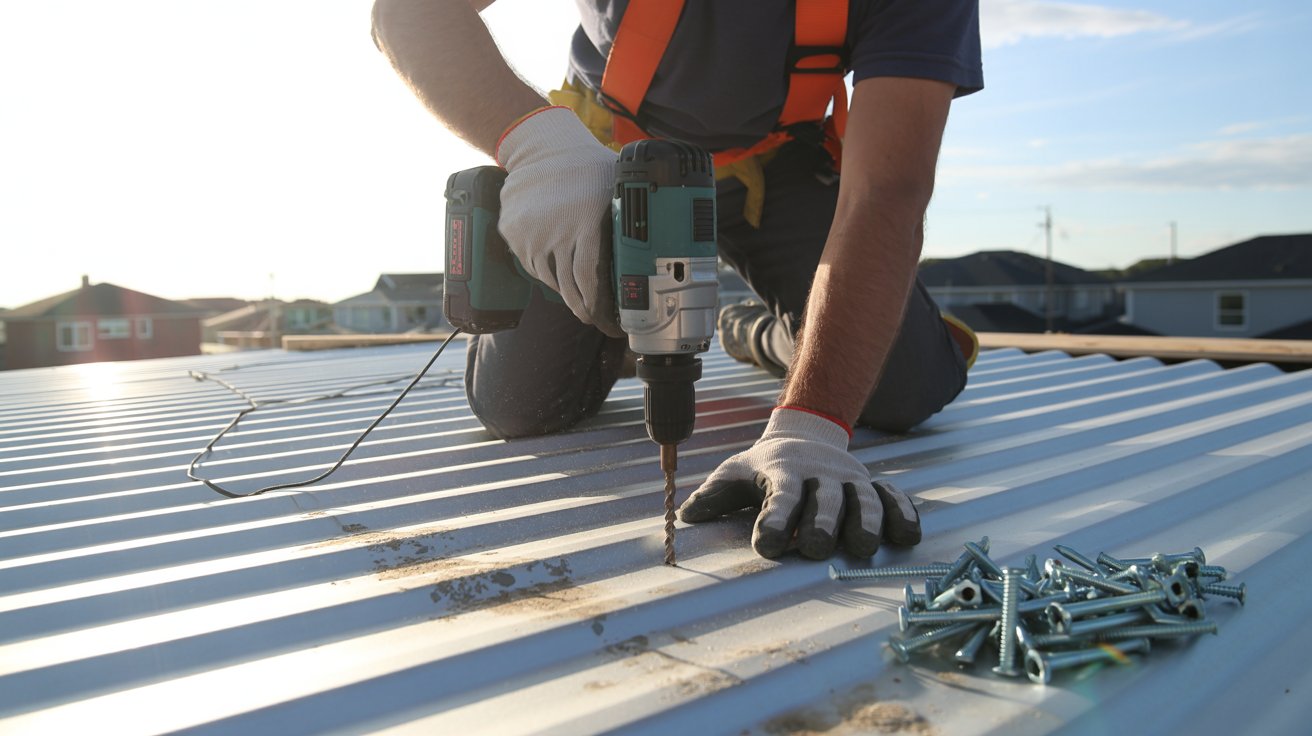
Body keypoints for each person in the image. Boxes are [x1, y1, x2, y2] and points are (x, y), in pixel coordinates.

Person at [371, 0, 983, 561]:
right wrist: (539, 147)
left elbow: (886, 192)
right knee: (519, 406)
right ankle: (622, 320)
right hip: (601, 158)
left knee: (906, 387)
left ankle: (750, 331)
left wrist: (811, 429)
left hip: (776, 166)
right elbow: (409, 12)